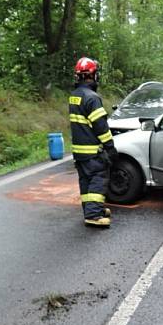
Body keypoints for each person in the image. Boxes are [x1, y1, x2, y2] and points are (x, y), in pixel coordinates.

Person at [69, 57, 116, 227]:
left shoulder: (74, 96)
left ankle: (90, 208)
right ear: (94, 75)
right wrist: (110, 148)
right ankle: (94, 215)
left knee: (85, 180)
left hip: (79, 150)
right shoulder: (92, 98)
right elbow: (100, 127)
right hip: (92, 150)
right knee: (98, 177)